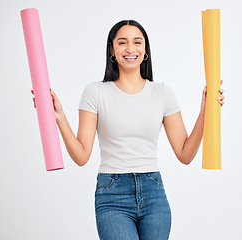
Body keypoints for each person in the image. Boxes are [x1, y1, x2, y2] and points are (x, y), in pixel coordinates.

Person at [31, 20, 224, 240]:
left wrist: (205, 112)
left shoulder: (162, 93)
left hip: (154, 194)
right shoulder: (95, 92)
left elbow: (185, 154)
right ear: (112, 49)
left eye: (137, 42)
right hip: (112, 193)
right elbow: (81, 156)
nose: (130, 49)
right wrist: (59, 117)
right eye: (122, 43)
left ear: (145, 50)